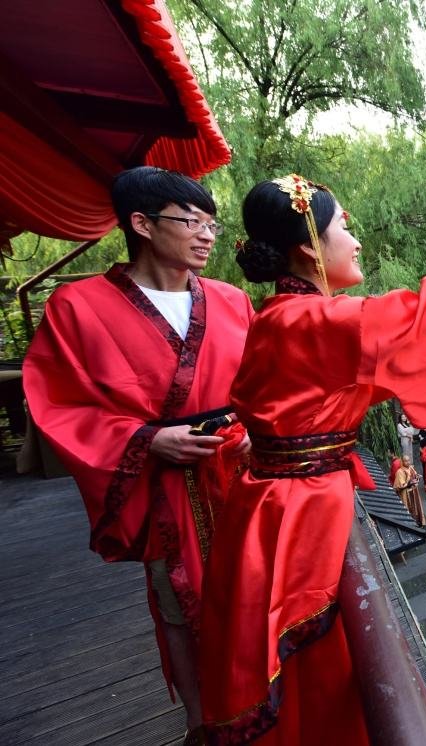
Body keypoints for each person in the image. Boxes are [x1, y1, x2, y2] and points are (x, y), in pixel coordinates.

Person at [198, 175, 426, 742]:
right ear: (311, 247)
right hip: (302, 513)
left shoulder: (282, 315)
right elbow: (417, 320)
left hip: (272, 506)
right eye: (344, 226)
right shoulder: (316, 320)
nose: (356, 240)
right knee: (324, 676)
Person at [23, 167, 254, 737]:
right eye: (190, 220)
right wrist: (148, 439)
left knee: (252, 593)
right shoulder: (78, 308)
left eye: (211, 223)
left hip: (235, 474)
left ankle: (258, 704)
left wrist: (254, 428)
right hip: (164, 486)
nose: (206, 234)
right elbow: (62, 406)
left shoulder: (230, 300)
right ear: (141, 224)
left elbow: (260, 386)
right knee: (180, 606)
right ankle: (203, 724)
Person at [393, 453, 424, 526]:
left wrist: (418, 477)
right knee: (409, 509)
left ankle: (419, 522)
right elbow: (400, 485)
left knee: (417, 506)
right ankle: (410, 525)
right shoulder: (399, 472)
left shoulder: (410, 468)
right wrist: (409, 483)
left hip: (414, 491)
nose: (408, 462)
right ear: (402, 462)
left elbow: (415, 476)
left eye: (409, 460)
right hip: (406, 493)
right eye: (406, 461)